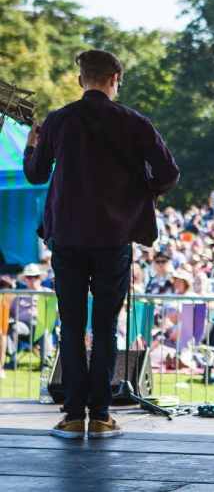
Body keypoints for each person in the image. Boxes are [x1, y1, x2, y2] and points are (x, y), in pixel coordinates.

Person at [23, 49, 179, 439]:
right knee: (107, 327)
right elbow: (168, 173)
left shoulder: (59, 121)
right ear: (115, 79)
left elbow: (36, 174)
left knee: (72, 326)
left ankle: (74, 415)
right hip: (113, 238)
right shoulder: (134, 122)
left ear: (81, 81)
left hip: (68, 237)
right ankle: (103, 413)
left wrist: (31, 144)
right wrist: (137, 194)